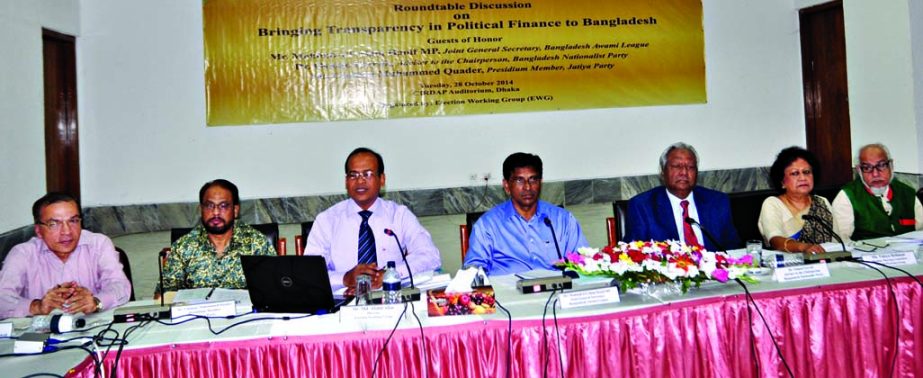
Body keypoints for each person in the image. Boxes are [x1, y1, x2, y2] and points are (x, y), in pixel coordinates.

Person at [305, 148, 441, 291]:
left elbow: (430, 256)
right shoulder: (327, 220)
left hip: (391, 299)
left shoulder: (399, 215)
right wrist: (345, 278)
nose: (360, 180)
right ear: (346, 181)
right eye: (353, 175)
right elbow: (309, 273)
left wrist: (390, 274)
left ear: (382, 179)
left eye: (367, 174)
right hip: (341, 302)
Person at [0, 193, 131, 318]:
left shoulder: (99, 244)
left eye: (73, 221)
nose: (67, 231)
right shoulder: (22, 254)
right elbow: (2, 298)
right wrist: (37, 306)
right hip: (40, 336)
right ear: (38, 231)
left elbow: (120, 286)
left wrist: (97, 302)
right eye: (54, 224)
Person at [463, 152, 589, 275]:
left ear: (540, 183)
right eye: (519, 180)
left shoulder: (563, 219)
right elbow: (474, 270)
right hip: (506, 294)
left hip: (556, 291)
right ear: (506, 185)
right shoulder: (487, 225)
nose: (527, 187)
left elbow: (582, 261)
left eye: (533, 179)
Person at [161, 179, 276, 292]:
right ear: (201, 209)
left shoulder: (257, 243)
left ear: (235, 210)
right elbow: (165, 296)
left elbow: (275, 287)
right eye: (209, 206)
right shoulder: (183, 247)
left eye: (223, 206)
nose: (215, 212)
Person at [624, 143, 741, 250]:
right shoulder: (642, 206)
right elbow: (635, 253)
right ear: (662, 172)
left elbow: (733, 248)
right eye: (676, 166)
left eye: (690, 167)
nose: (684, 172)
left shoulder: (718, 202)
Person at [832, 143, 923, 241]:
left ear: (891, 165)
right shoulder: (847, 196)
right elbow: (840, 243)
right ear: (859, 170)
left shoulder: (907, 193)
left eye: (881, 165)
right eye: (867, 168)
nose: (875, 174)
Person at [758, 147, 837, 254]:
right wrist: (803, 247)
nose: (803, 178)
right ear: (782, 182)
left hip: (825, 261)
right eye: (795, 173)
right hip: (788, 265)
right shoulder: (772, 204)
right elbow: (775, 240)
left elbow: (836, 242)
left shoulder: (822, 202)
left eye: (807, 172)